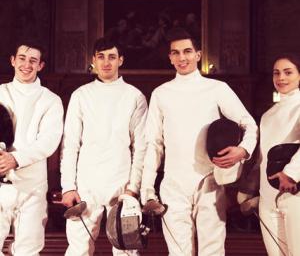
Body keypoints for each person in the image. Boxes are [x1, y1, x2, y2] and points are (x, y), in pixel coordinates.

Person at [141, 28, 258, 256]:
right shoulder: (161, 93)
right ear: (170, 57)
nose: (181, 57)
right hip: (173, 184)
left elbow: (249, 123)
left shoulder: (217, 89)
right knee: (178, 253)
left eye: (187, 51)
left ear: (198, 54)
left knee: (212, 252)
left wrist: (243, 150)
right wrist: (147, 189)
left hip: (210, 182)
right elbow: (153, 144)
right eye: (175, 53)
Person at [60, 37, 148, 256]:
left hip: (121, 182)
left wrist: (133, 187)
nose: (106, 62)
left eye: (112, 57)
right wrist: (68, 187)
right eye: (101, 57)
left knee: (126, 250)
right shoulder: (80, 95)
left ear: (121, 60)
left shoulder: (134, 96)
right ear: (93, 60)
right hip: (86, 183)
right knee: (78, 249)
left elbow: (141, 147)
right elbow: (70, 144)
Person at [0, 41, 64, 256]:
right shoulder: (0, 92)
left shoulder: (50, 100)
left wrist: (15, 159)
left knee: (28, 251)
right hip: (0, 185)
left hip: (32, 186)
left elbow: (49, 141)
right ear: (13, 60)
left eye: (33, 60)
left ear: (40, 65)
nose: (26, 65)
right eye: (22, 58)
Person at [259, 55, 300, 256]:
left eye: (288, 72)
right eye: (276, 73)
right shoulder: (267, 115)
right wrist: (250, 192)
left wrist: (291, 174)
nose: (281, 77)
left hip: (295, 194)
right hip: (267, 199)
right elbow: (262, 158)